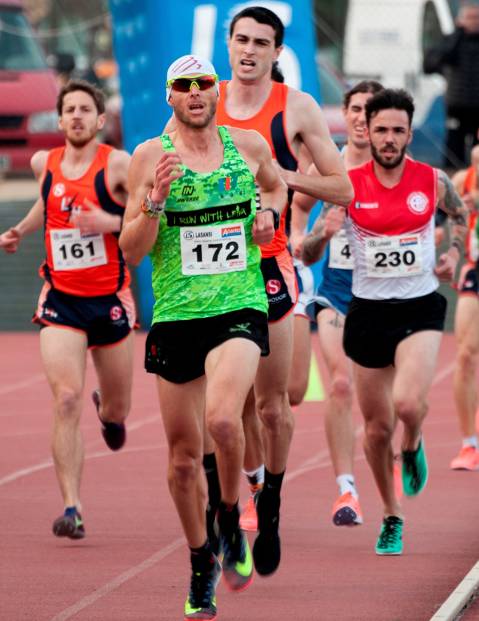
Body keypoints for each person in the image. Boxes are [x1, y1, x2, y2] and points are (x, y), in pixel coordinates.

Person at [119, 55, 287, 620]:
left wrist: (269, 218)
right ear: (170, 96)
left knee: (223, 420)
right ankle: (200, 560)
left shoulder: (249, 146)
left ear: (217, 91)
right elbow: (131, 251)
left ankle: (231, 518)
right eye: (184, 86)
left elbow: (278, 190)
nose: (196, 93)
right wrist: (154, 203)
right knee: (184, 459)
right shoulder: (150, 157)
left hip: (239, 304)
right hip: (175, 314)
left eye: (204, 84)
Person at [215, 5, 353, 576]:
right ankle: (249, 487)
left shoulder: (295, 108)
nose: (249, 51)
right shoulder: (202, 100)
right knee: (233, 404)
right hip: (214, 273)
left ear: (277, 51)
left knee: (277, 404)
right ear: (229, 43)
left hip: (272, 265)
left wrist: (280, 176)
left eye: (261, 43)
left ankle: (270, 500)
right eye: (241, 40)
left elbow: (342, 186)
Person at [0, 79, 135, 539]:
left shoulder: (118, 165)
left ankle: (110, 416)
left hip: (110, 299)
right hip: (60, 298)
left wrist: (108, 222)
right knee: (66, 398)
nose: (76, 116)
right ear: (58, 120)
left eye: (85, 109)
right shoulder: (44, 162)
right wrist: (20, 229)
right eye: (69, 109)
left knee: (117, 409)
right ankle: (72, 507)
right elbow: (47, 201)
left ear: (100, 121)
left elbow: (144, 223)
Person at [334, 88, 465, 555]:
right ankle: (392, 514)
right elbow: (309, 247)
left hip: (419, 307)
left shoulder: (431, 180)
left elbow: (462, 214)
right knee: (374, 430)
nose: (389, 139)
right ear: (366, 131)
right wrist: (319, 238)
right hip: (367, 312)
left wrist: (452, 252)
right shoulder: (347, 184)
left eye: (398, 131)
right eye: (382, 130)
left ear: (411, 134)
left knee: (408, 405)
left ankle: (413, 445)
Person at [290, 80, 384, 527]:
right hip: (337, 292)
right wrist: (317, 236)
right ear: (344, 116)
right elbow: (300, 241)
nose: (362, 119)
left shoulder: (397, 171)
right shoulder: (328, 169)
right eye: (356, 110)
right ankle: (346, 490)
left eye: (371, 111)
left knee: (391, 402)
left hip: (388, 295)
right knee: (340, 385)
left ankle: (410, 438)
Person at [449, 142, 479, 470]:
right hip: (475, 269)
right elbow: (451, 217)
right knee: (466, 355)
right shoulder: (463, 179)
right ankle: (469, 443)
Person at [423, 1, 479, 169]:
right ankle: (453, 178)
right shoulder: (451, 41)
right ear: (459, 20)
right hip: (457, 106)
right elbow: (430, 64)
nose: (474, 21)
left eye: (477, 17)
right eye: (469, 17)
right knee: (454, 148)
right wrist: (458, 34)